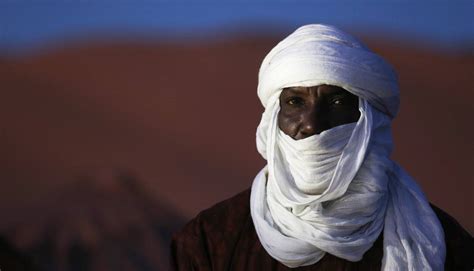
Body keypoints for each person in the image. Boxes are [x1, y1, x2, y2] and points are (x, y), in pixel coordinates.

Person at [170, 24, 473, 270]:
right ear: (272, 120)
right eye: (294, 102)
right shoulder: (209, 242)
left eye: (337, 102)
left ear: (368, 123)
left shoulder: (439, 242)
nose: (313, 124)